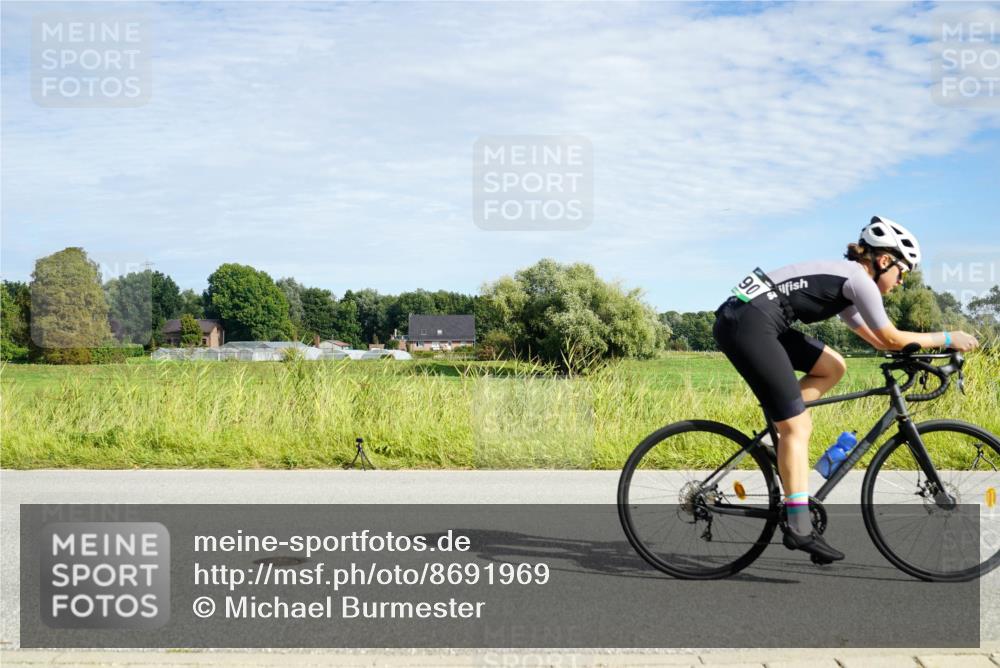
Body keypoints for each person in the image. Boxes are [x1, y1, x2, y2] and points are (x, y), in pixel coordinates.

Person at [712, 216, 979, 561]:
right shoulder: (858, 281)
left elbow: (879, 342)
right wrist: (948, 338)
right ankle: (799, 527)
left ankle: (780, 431)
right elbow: (891, 337)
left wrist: (923, 354)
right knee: (798, 427)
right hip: (748, 322)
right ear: (885, 261)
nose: (901, 281)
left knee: (833, 366)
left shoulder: (850, 286)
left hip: (753, 317)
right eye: (902, 272)